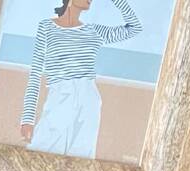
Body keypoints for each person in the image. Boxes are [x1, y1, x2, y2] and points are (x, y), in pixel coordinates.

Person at [19, 0, 142, 160]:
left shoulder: (94, 31)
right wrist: (27, 119)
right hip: (60, 96)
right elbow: (35, 74)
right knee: (40, 155)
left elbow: (135, 27)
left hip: (88, 98)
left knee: (81, 159)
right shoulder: (46, 27)